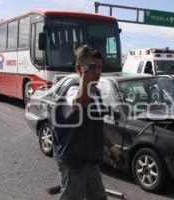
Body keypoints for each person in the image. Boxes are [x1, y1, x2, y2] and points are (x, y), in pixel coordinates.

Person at [52, 44, 120, 200]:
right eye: (92, 67)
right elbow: (80, 101)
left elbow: (96, 124)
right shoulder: (72, 89)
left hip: (90, 159)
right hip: (73, 161)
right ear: (79, 68)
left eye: (100, 68)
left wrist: (110, 147)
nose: (97, 71)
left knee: (98, 197)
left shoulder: (96, 92)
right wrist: (85, 71)